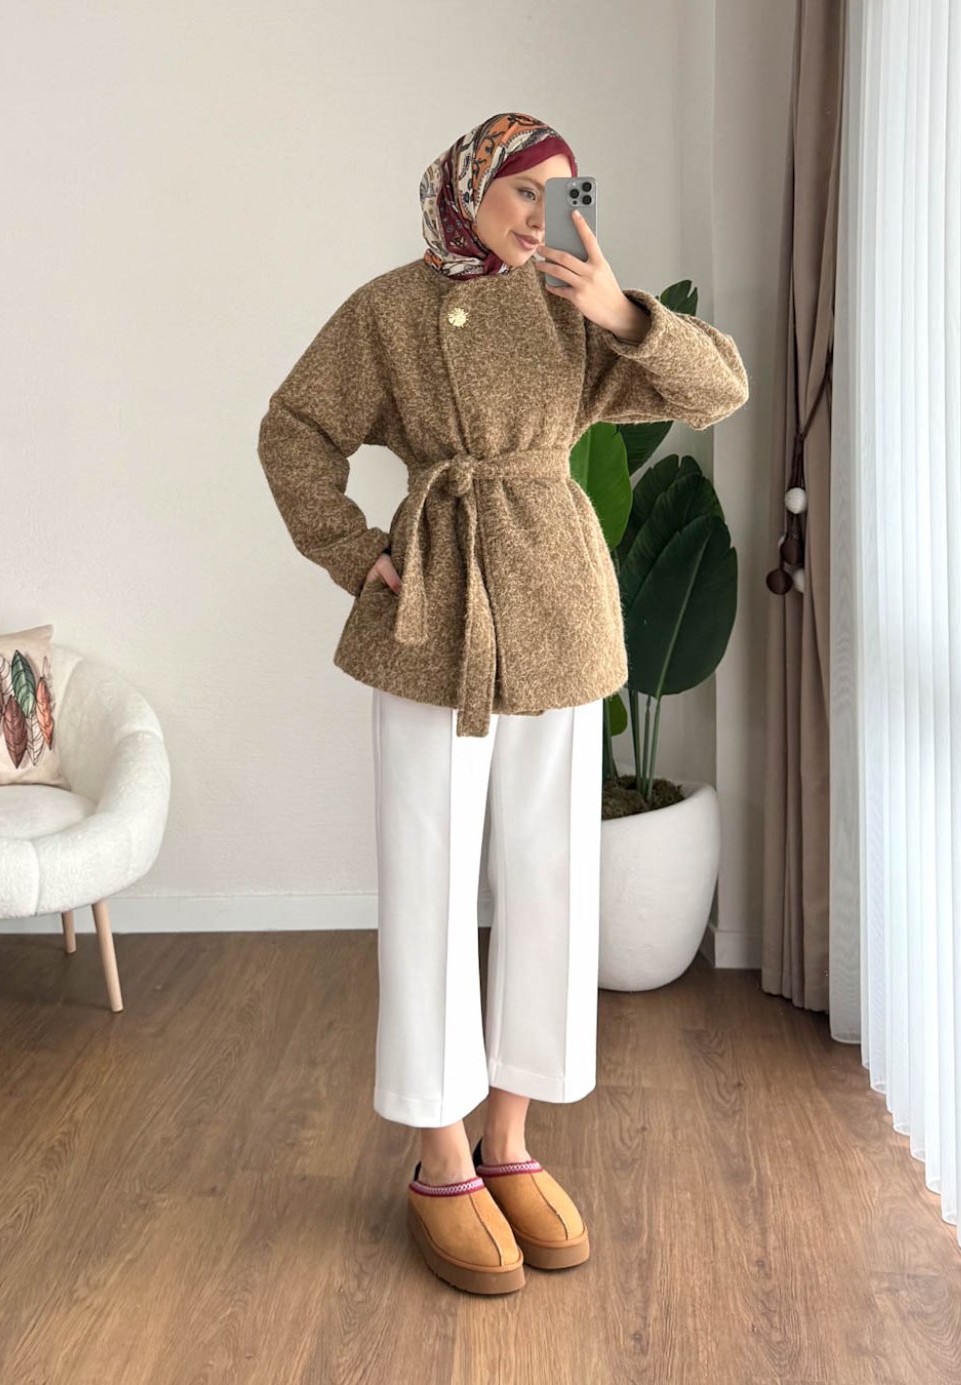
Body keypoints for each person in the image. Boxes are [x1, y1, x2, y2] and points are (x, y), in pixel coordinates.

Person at [257, 111, 750, 1296]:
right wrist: (356, 552)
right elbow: (294, 429)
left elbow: (720, 387)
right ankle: (439, 1154)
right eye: (524, 190)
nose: (544, 215)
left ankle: (510, 1138)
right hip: (437, 606)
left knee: (548, 878)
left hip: (559, 606)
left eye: (563, 192)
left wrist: (623, 312)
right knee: (428, 877)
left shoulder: (577, 303)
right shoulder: (389, 308)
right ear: (466, 188)